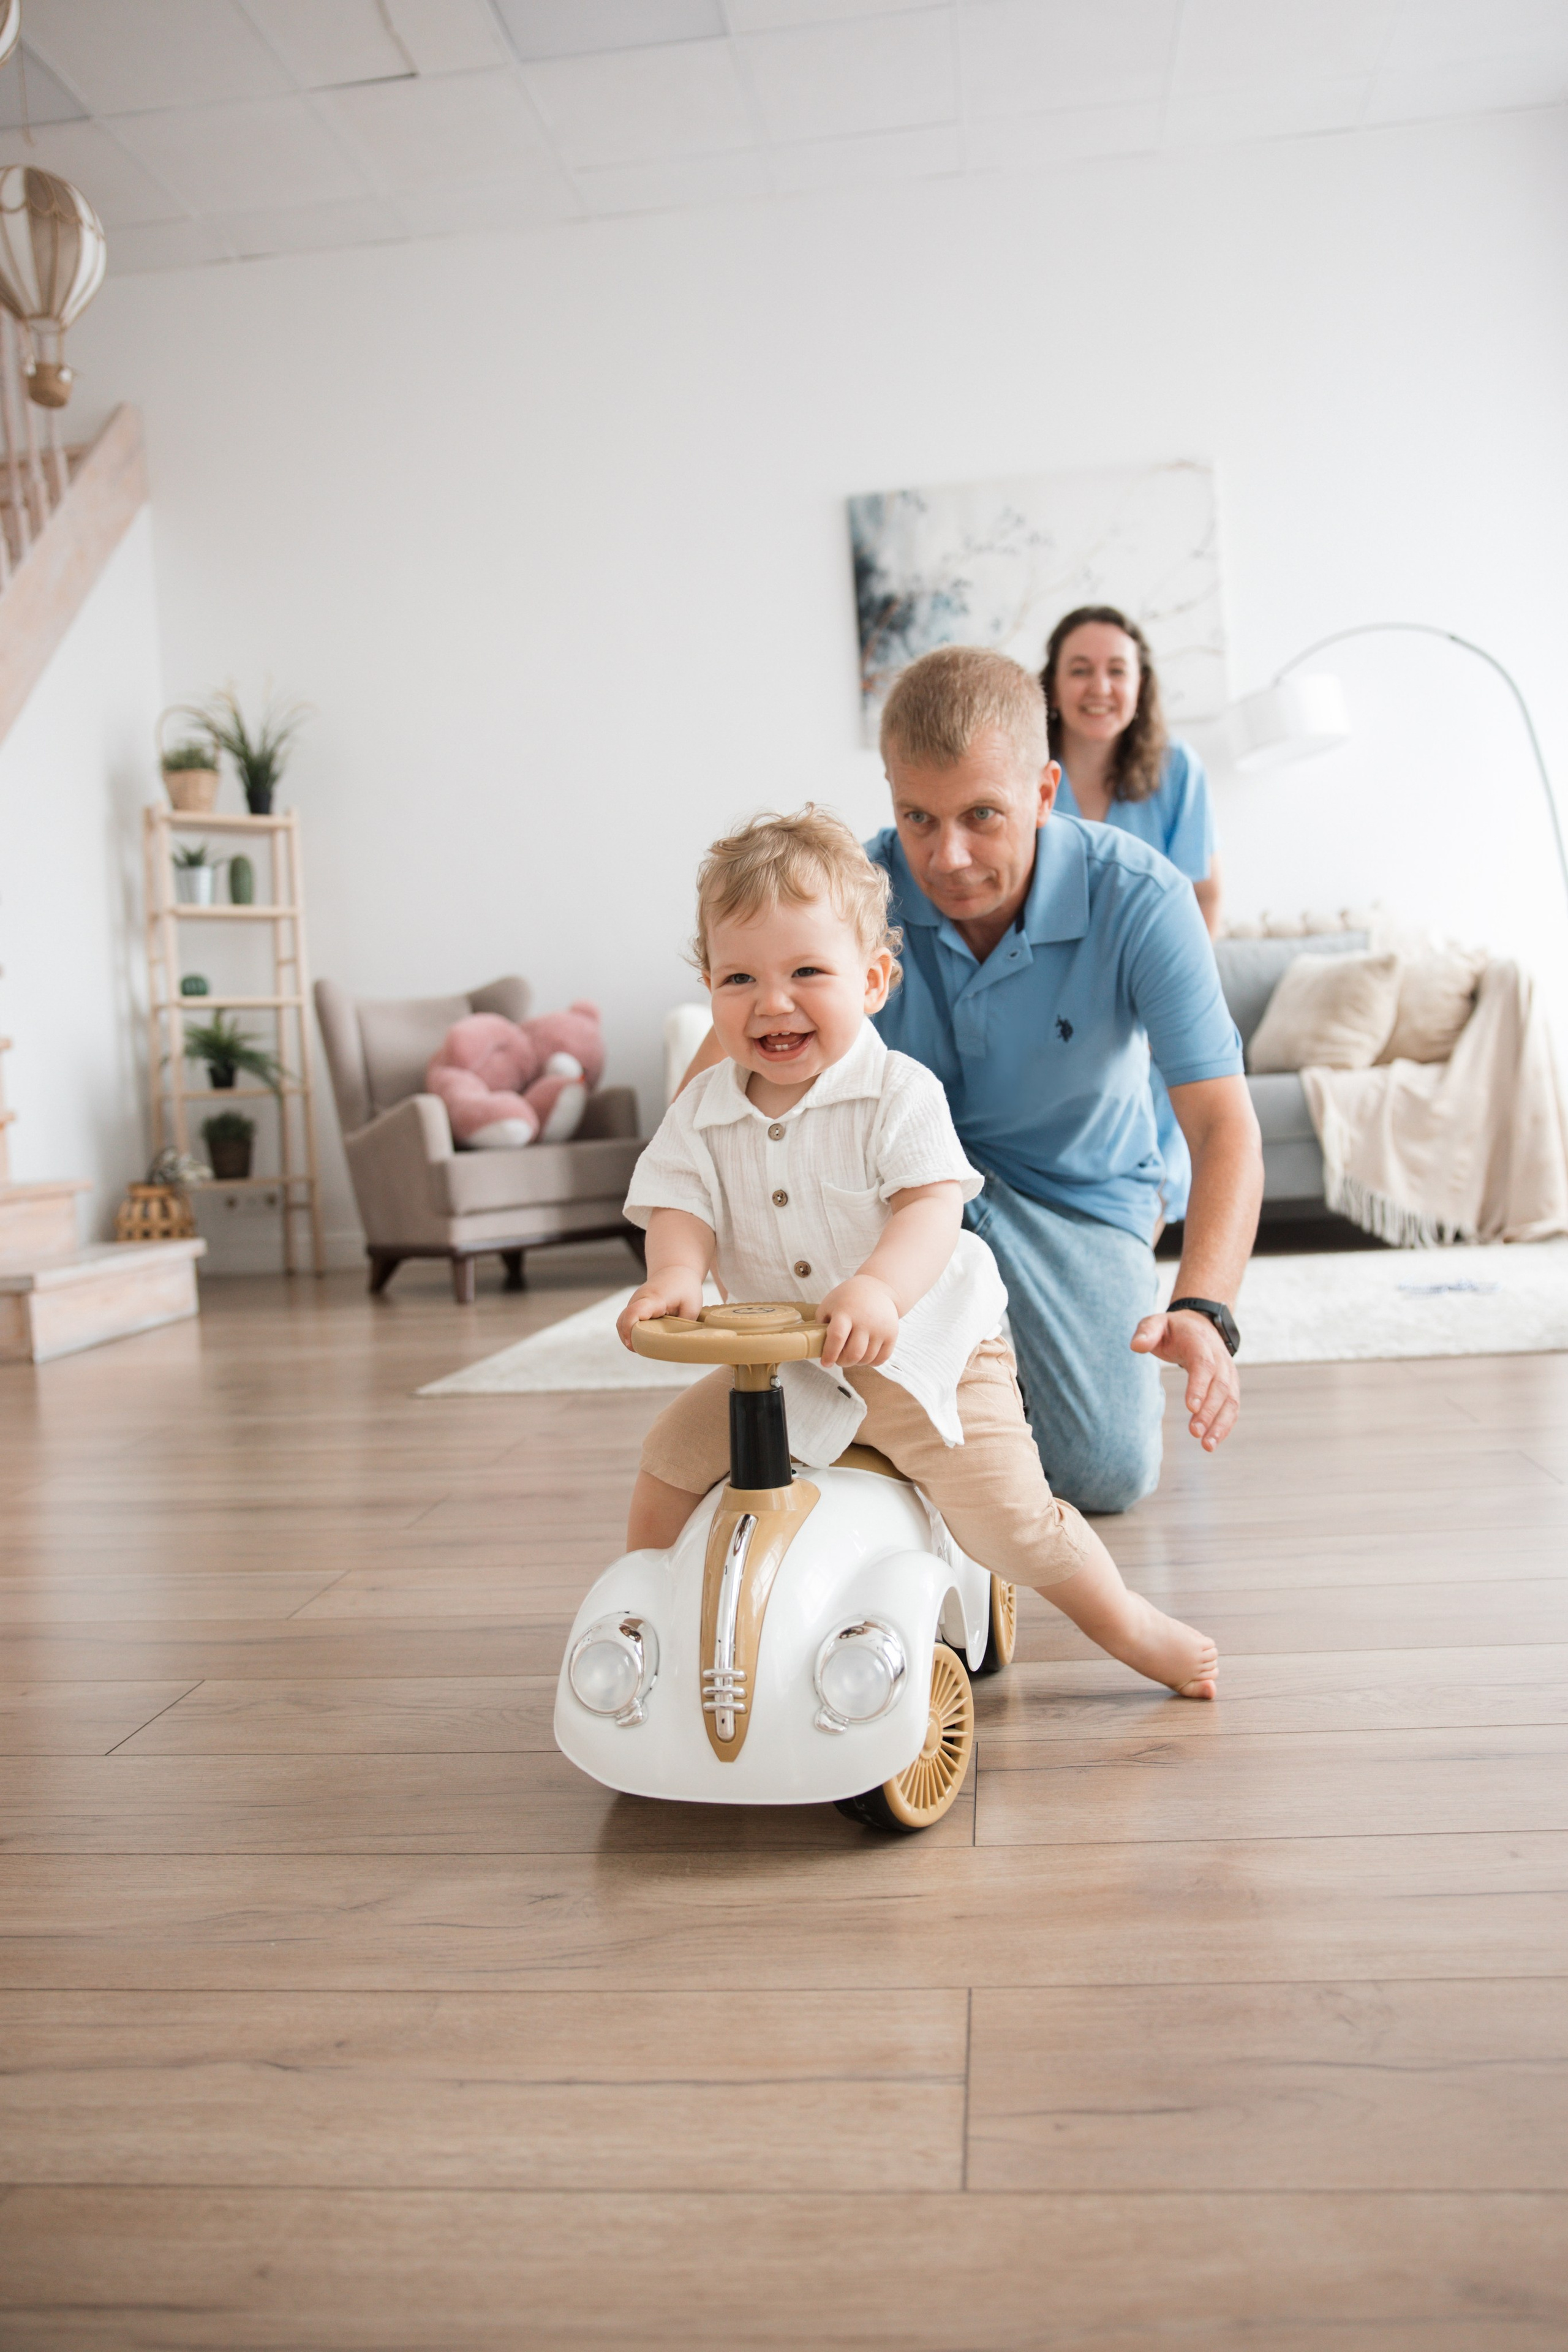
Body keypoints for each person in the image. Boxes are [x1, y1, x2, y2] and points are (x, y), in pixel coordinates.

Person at [618, 807, 1218, 1698]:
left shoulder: (898, 1091)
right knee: (667, 1462)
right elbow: (679, 1199)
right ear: (708, 985)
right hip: (785, 1370)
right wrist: (675, 1272)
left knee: (1010, 1520)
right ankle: (655, 1622)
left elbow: (933, 1209)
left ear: (874, 979)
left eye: (806, 973)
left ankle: (1128, 1623)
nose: (772, 1003)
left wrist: (879, 1289)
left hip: (926, 1357)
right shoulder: (705, 1105)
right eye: (739, 977)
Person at [677, 646, 1262, 1516]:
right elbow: (705, 1103)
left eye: (982, 815)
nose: (946, 857)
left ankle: (986, 1396)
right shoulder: (857, 894)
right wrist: (690, 1247)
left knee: (1106, 1473)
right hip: (890, 1190)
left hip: (1074, 1199)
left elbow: (1223, 1128)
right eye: (917, 817)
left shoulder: (1144, 898)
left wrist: (1205, 1307)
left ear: (1044, 790)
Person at [1041, 604, 1220, 1225]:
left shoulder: (1178, 772)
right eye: (1081, 670)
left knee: (1159, 1101)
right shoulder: (1020, 773)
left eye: (1117, 670)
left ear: (1140, 686)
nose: (1100, 687)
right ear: (1054, 688)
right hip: (1048, 985)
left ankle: (1137, 1242)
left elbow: (1204, 894)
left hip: (1147, 980)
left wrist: (1182, 989)